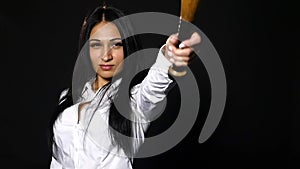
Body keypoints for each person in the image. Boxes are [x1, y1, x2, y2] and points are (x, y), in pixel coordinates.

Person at [48, 3, 201, 169]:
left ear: (127, 47)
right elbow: (58, 162)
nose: (106, 56)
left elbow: (157, 81)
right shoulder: (68, 97)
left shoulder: (135, 102)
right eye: (96, 44)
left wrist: (171, 54)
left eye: (116, 44)